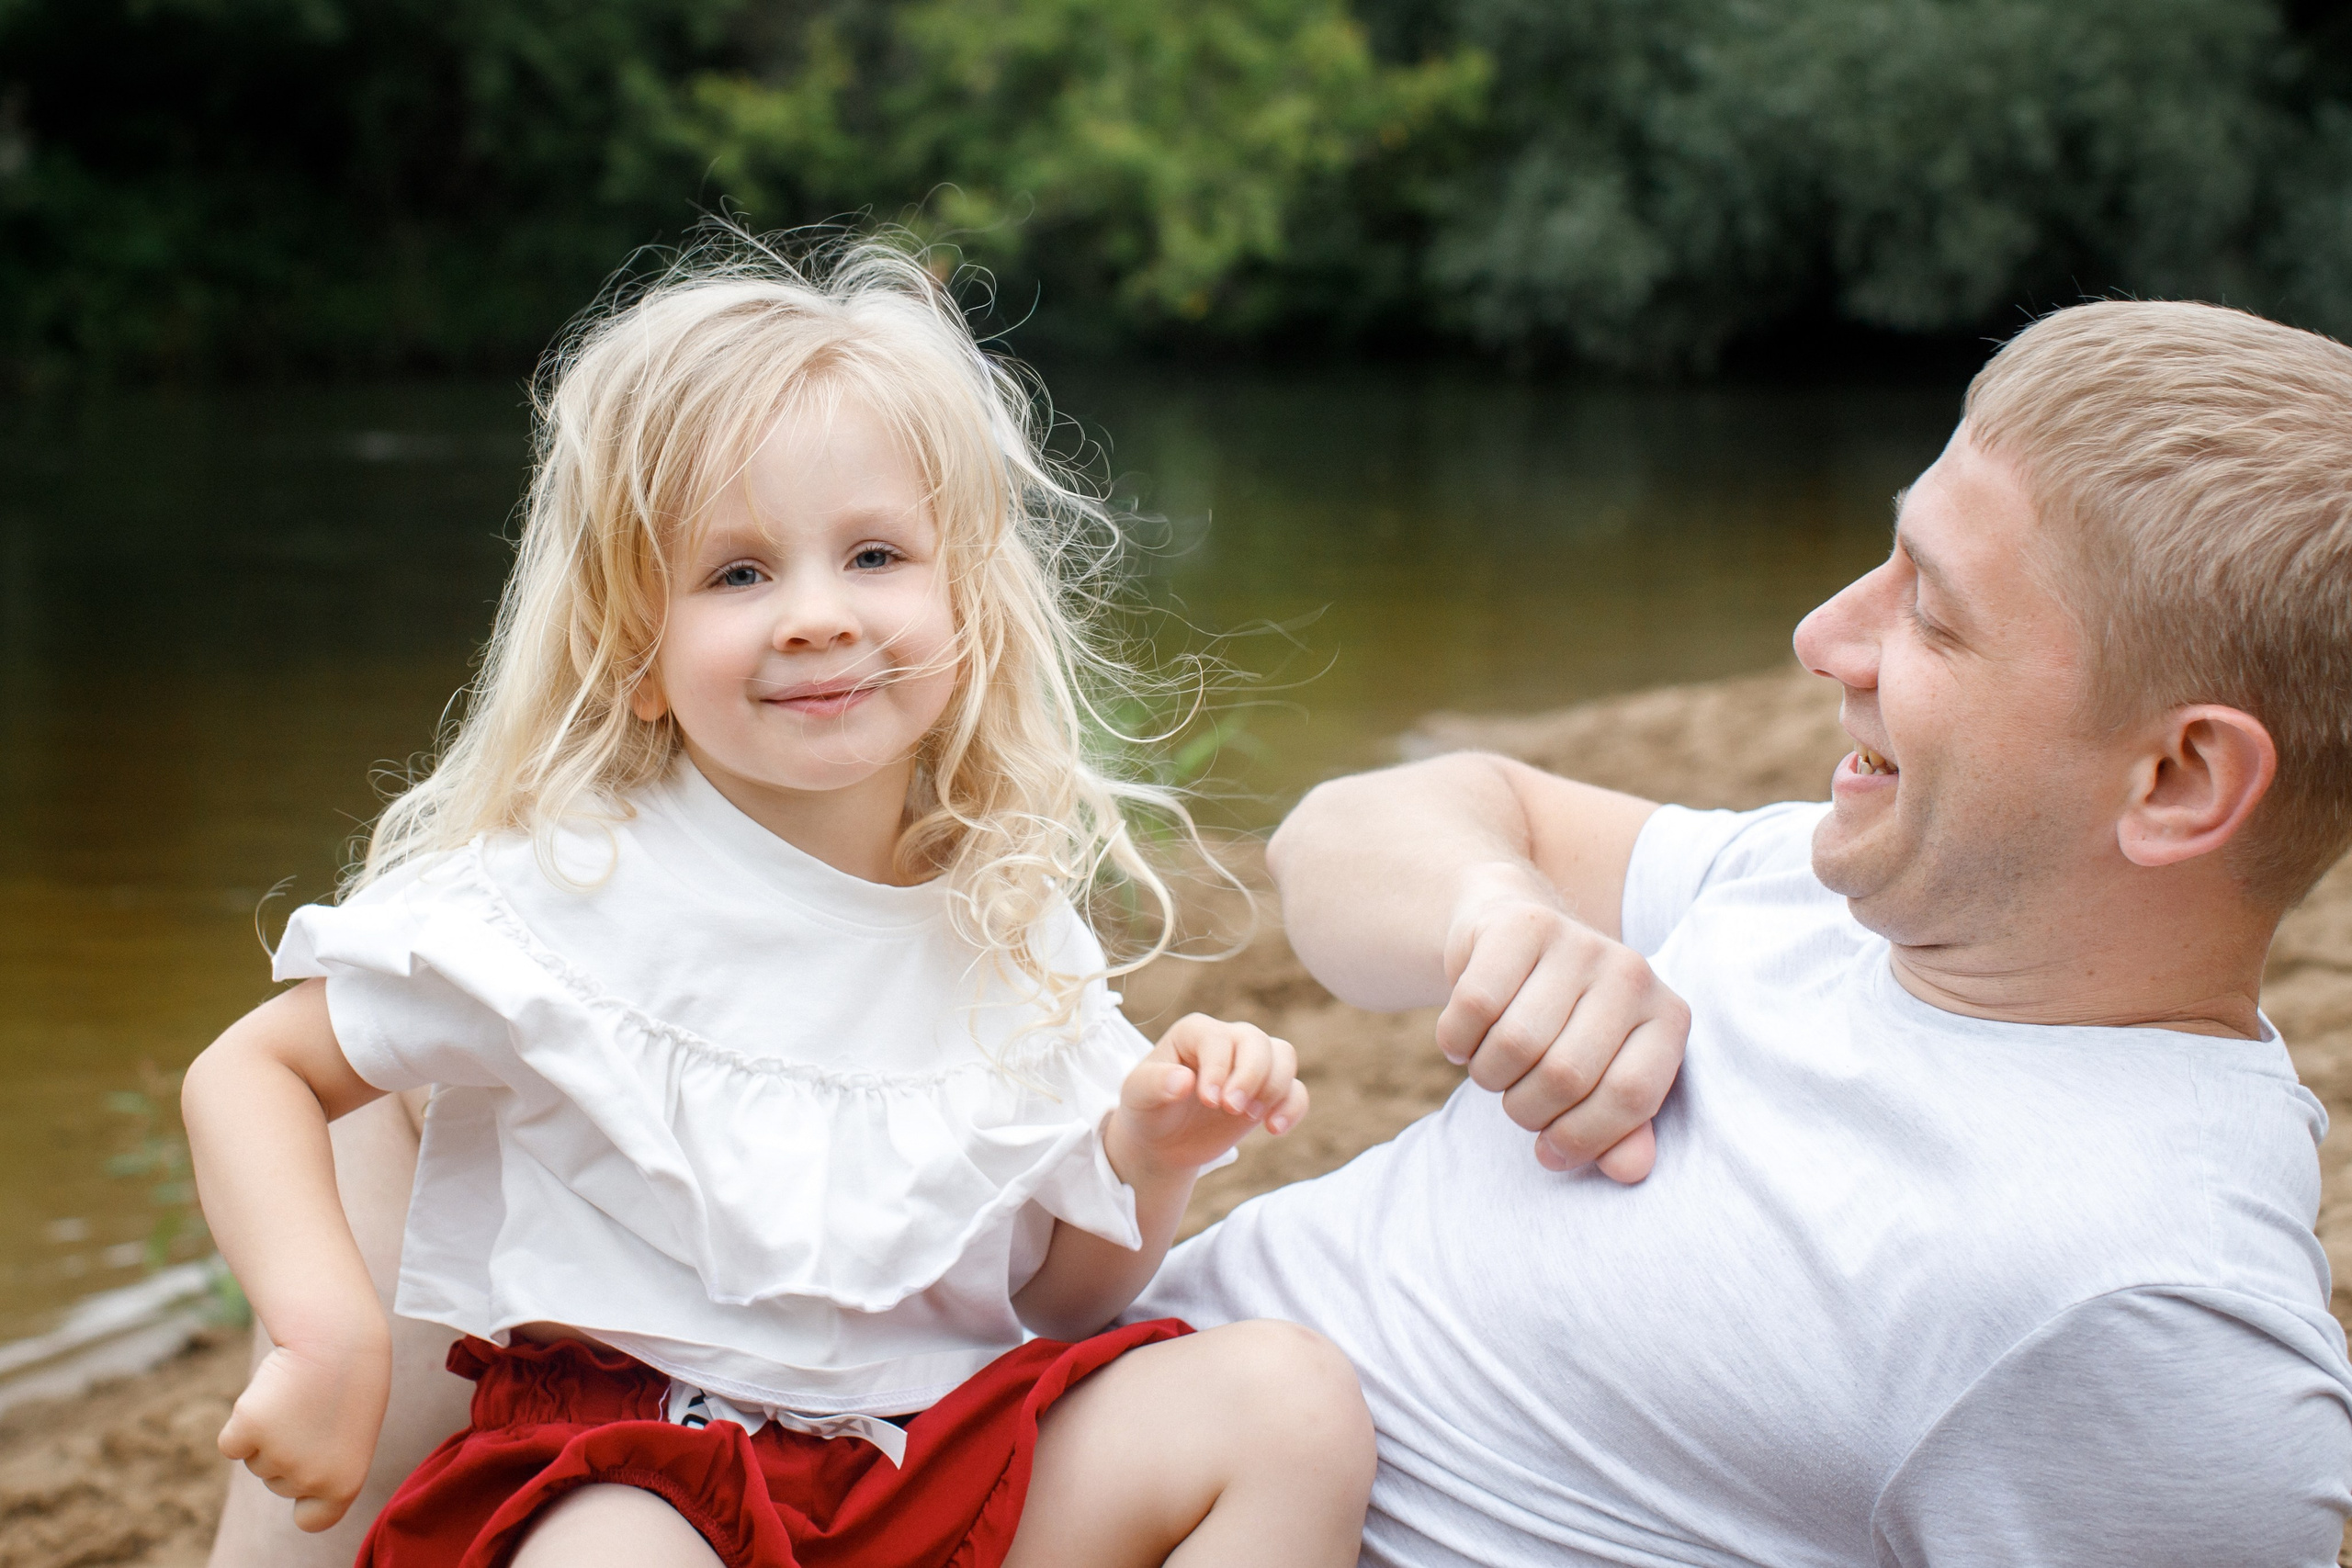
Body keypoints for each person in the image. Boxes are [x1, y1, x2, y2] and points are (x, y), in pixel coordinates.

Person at [182, 239, 1385, 1568]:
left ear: (968, 605)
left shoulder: (1005, 913)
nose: (816, 615)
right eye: (738, 574)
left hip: (935, 1465)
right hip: (644, 1472)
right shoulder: (569, 891)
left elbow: (1057, 1301)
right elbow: (253, 1074)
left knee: (1290, 1403)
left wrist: (1151, 1161)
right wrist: (324, 1331)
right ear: (636, 655)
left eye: (874, 554)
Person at [1136, 298, 2352, 1564]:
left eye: (1931, 613)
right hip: (1047, 1422)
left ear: (2178, 782)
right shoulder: (1847, 888)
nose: (1822, 637)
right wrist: (1494, 915)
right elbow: (1337, 837)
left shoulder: (2148, 1324)